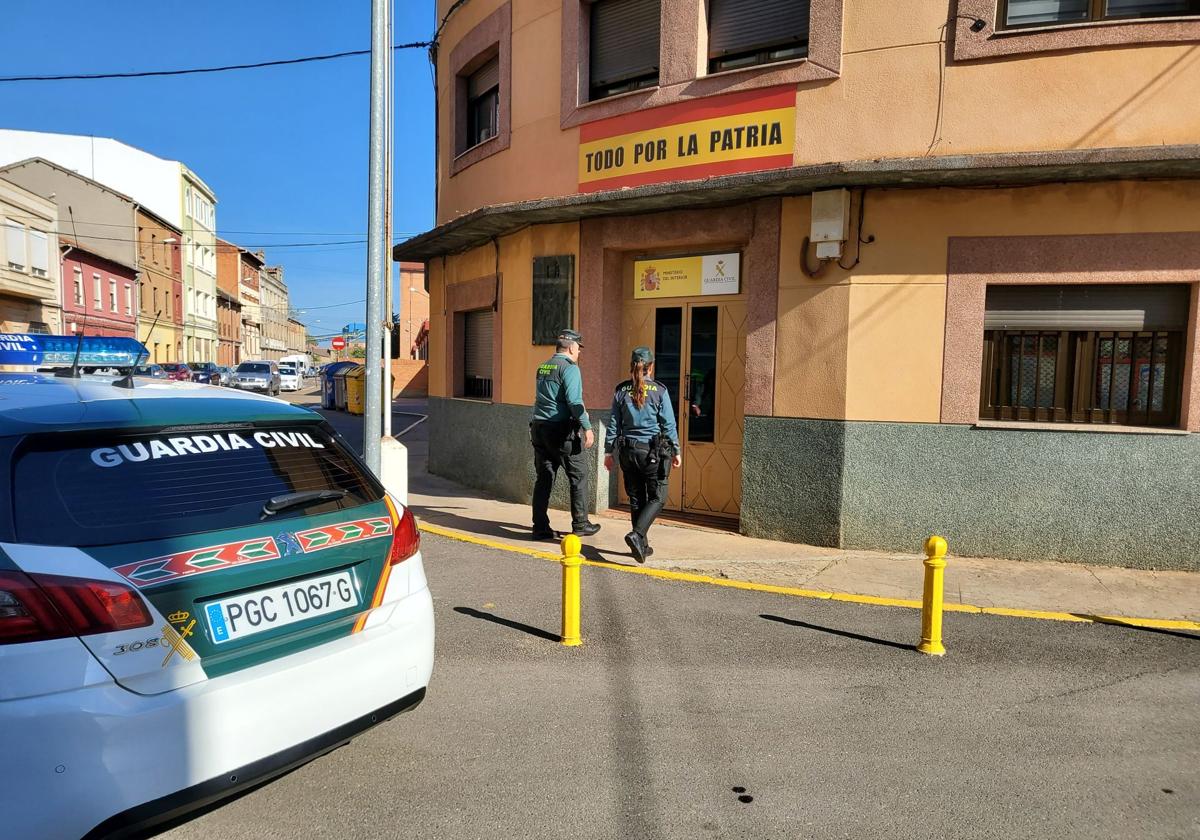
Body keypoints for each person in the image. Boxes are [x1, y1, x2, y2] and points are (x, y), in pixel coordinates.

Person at [604, 346, 681, 563]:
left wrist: (609, 452)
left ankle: (641, 546)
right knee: (658, 497)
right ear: (651, 367)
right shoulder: (659, 391)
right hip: (651, 453)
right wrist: (676, 450)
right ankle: (637, 535)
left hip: (628, 452)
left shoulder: (620, 391)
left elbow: (613, 425)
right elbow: (668, 425)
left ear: (632, 366)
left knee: (637, 498)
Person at [529, 329, 600, 540]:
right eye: (578, 348)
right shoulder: (570, 369)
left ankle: (540, 527)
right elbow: (574, 402)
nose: (579, 352)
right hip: (560, 431)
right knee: (578, 475)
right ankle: (580, 523)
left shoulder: (543, 366)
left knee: (544, 478)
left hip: (539, 428)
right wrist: (587, 427)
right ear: (570, 347)